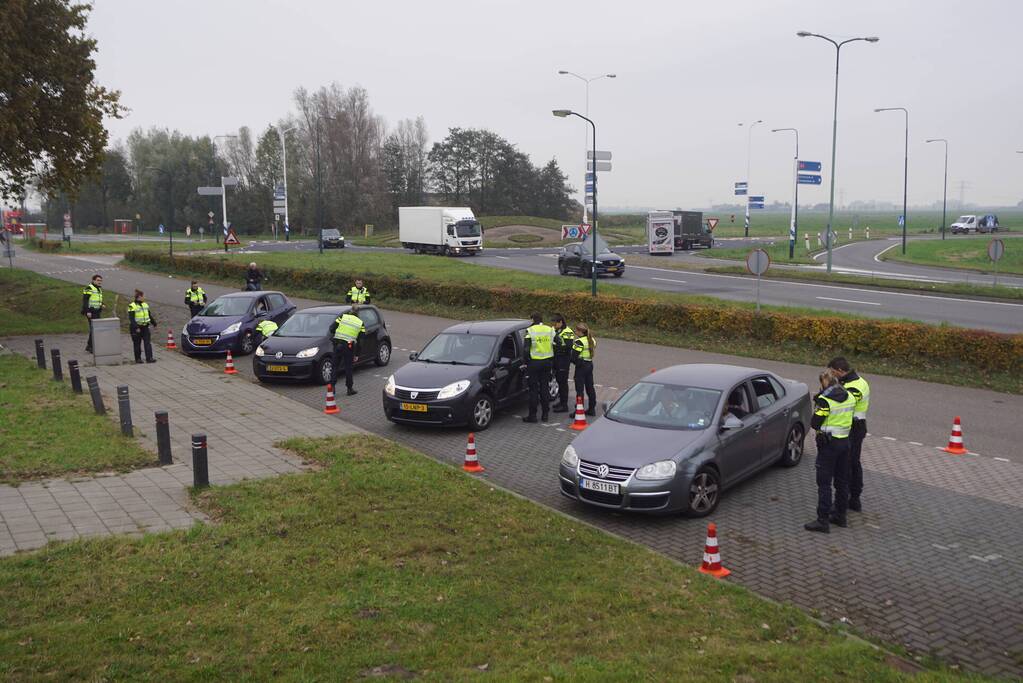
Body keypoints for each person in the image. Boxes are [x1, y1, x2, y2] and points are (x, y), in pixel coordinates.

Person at [805, 371, 856, 534]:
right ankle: (841, 516)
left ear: (823, 383)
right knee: (841, 482)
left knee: (824, 483)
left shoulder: (825, 400)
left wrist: (818, 402)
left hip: (829, 445)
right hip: (845, 443)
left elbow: (815, 423)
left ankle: (823, 520)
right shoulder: (850, 396)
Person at [828, 357, 870, 512]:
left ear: (840, 370)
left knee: (847, 465)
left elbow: (844, 400)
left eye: (833, 372)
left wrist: (825, 392)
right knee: (853, 463)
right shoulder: (856, 381)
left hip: (854, 428)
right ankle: (853, 499)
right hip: (854, 426)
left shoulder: (855, 386)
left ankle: (845, 500)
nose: (832, 375)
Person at [522, 312, 555, 423]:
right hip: (547, 362)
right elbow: (558, 343)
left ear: (532, 320)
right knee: (544, 388)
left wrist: (526, 361)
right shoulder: (549, 329)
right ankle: (545, 415)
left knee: (533, 390)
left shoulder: (530, 330)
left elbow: (526, 349)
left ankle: (533, 416)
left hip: (534, 363)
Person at [330, 305, 365, 396]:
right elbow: (361, 341)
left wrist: (338, 334)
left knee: (335, 366)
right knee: (348, 368)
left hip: (337, 344)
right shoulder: (360, 323)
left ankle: (332, 387)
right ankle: (349, 389)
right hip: (348, 347)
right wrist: (357, 354)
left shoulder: (343, 317)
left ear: (350, 310)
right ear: (358, 312)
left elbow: (331, 329)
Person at [550, 313, 575, 413]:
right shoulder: (556, 330)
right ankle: (561, 402)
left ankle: (564, 405)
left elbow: (568, 347)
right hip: (556, 359)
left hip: (563, 360)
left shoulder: (568, 332)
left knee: (563, 382)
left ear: (560, 322)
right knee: (558, 381)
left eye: (555, 323)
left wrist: (556, 346)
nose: (553, 325)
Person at [571, 322, 597, 416]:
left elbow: (573, 357)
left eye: (576, 331)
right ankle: (592, 409)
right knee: (590, 388)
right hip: (589, 364)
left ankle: (579, 410)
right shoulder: (592, 340)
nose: (575, 332)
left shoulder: (579, 342)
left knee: (579, 390)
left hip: (581, 367)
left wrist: (577, 362)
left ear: (580, 332)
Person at [127, 289, 158, 364]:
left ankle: (149, 358)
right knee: (137, 344)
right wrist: (136, 327)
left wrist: (154, 324)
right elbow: (131, 319)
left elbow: (149, 315)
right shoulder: (132, 306)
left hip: (145, 327)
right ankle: (138, 359)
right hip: (136, 328)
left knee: (147, 343)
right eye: (143, 296)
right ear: (139, 297)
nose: (144, 297)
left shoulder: (145, 305)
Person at [81, 274, 105, 353]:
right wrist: (87, 311)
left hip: (97, 311)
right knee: (94, 328)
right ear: (93, 280)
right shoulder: (89, 288)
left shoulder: (98, 289)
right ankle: (90, 346)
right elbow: (85, 300)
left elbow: (97, 299)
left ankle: (90, 346)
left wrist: (102, 304)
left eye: (100, 280)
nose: (99, 282)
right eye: (98, 280)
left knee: (95, 328)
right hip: (91, 312)